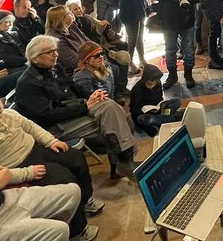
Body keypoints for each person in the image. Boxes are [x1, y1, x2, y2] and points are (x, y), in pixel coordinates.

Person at [0, 86, 101, 241]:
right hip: (18, 168)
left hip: (35, 150)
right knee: (64, 178)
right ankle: (76, 230)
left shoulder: (7, 114)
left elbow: (31, 127)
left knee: (75, 158)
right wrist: (28, 173)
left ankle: (85, 199)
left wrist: (51, 140)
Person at [15, 35, 137, 180]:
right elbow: (46, 117)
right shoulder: (28, 84)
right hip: (53, 128)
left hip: (72, 112)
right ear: (35, 58)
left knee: (112, 110)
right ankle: (124, 161)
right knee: (115, 117)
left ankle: (121, 163)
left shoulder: (55, 68)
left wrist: (94, 95)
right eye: (50, 52)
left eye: (55, 50)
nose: (56, 55)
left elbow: (75, 88)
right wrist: (85, 106)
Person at [147, 0, 204, 90]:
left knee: (189, 50)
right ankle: (172, 76)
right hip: (168, 21)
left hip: (187, 20)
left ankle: (188, 75)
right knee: (170, 50)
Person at [64, 0, 130, 95]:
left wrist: (102, 28)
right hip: (87, 55)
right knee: (114, 68)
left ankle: (121, 88)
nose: (79, 10)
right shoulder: (71, 28)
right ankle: (115, 93)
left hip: (99, 47)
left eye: (79, 7)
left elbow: (96, 35)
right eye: (75, 9)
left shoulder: (86, 19)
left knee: (124, 57)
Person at [129, 64, 182, 137]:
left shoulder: (157, 84)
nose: (152, 83)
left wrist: (161, 105)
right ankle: (173, 118)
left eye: (155, 81)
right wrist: (149, 110)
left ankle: (161, 120)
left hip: (157, 110)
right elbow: (134, 111)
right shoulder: (137, 89)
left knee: (176, 100)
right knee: (146, 119)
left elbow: (159, 98)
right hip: (145, 114)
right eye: (150, 81)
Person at [119, 0, 149, 76]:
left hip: (138, 15)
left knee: (139, 39)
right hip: (131, 17)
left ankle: (142, 60)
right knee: (132, 40)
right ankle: (128, 63)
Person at [45, 5, 91, 71]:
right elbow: (75, 62)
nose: (71, 13)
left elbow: (90, 44)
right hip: (73, 72)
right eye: (68, 12)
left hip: (89, 62)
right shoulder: (56, 39)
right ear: (62, 19)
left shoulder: (72, 27)